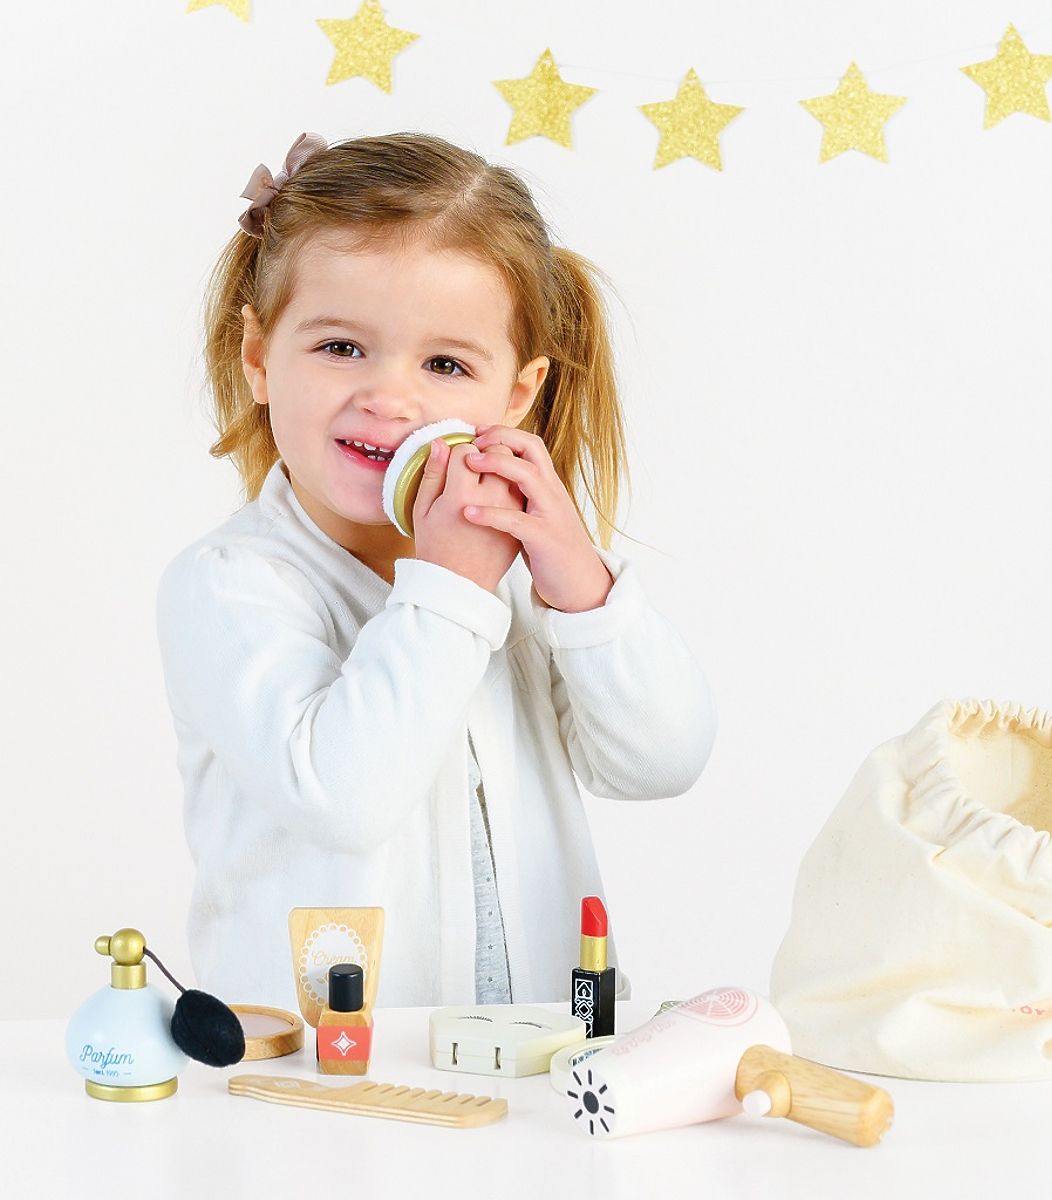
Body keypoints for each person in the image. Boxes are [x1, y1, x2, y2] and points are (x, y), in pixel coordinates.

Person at [156, 130, 718, 1011]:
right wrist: (450, 589)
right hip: (327, 1067)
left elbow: (662, 761)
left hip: (538, 1051)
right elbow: (345, 798)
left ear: (517, 395)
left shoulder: (516, 575)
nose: (389, 397)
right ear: (259, 358)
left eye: (445, 364)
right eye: (341, 347)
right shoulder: (230, 585)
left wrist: (582, 591)